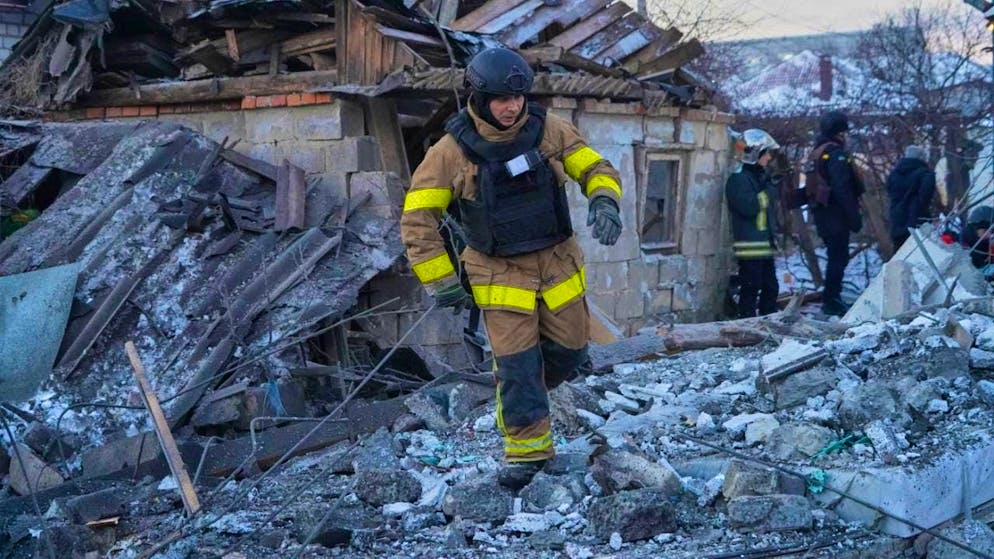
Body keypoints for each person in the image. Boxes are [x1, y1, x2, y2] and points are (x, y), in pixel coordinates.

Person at [400, 47, 623, 489]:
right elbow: (417, 219)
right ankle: (528, 454)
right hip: (498, 275)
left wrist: (604, 199)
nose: (512, 107)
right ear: (480, 97)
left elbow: (594, 165)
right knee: (518, 368)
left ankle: (533, 396)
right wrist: (441, 281)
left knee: (570, 352)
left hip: (558, 266)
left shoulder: (549, 130)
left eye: (519, 98)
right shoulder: (448, 153)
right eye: (502, 98)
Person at [810, 110, 863, 316]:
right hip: (835, 215)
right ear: (839, 132)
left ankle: (832, 297)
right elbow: (842, 189)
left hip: (823, 214)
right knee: (838, 257)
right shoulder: (835, 154)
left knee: (836, 256)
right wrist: (854, 217)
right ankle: (831, 300)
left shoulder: (818, 150)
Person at [725, 129, 781, 318]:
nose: (769, 158)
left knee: (771, 287)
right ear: (755, 154)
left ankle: (769, 322)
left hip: (762, 244)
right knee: (751, 286)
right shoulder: (738, 179)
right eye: (766, 153)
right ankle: (747, 323)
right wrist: (769, 191)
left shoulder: (755, 177)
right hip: (749, 245)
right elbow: (749, 206)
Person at [885, 144, 936, 251]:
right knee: (919, 255)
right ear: (921, 158)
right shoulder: (925, 174)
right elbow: (926, 194)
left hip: (897, 221)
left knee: (900, 256)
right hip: (917, 222)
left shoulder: (893, 174)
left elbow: (889, 191)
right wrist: (922, 207)